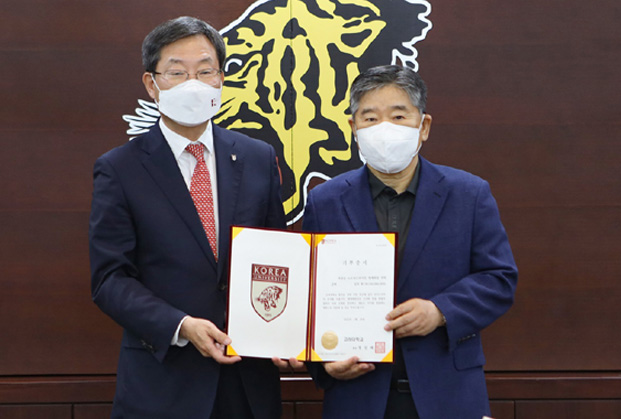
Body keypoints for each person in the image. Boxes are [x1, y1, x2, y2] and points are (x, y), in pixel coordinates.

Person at [89, 16, 297, 419]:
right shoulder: (120, 168)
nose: (193, 84)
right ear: (152, 84)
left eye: (204, 71)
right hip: (164, 382)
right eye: (177, 72)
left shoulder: (257, 157)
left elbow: (278, 256)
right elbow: (109, 279)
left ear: (220, 79)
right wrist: (181, 325)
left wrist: (286, 332)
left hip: (248, 380)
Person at [302, 65, 518, 418]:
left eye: (398, 116)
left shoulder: (468, 194)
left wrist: (440, 311)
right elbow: (307, 294)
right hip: (358, 395)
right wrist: (324, 364)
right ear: (353, 128)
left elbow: (499, 279)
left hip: (447, 393)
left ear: (424, 126)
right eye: (370, 118)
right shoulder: (325, 201)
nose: (384, 128)